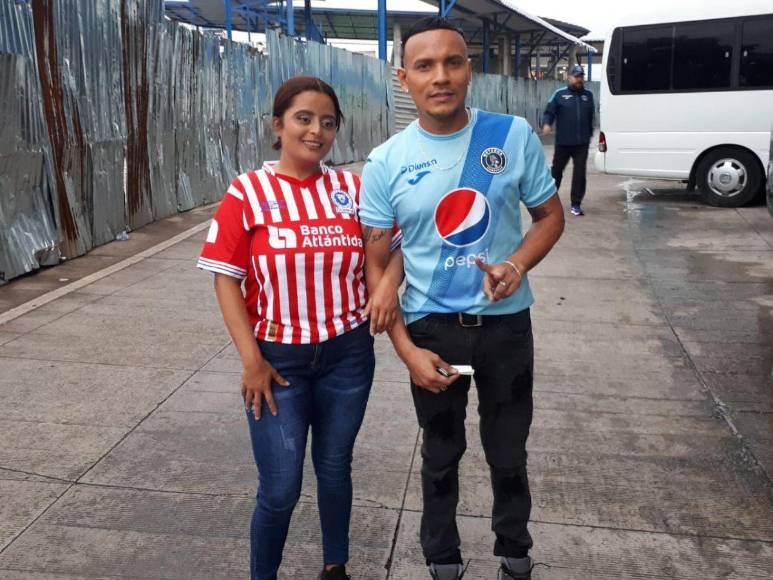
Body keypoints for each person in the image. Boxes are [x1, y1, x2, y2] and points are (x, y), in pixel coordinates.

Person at [359, 17, 565, 580]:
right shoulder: (386, 162)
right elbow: (379, 272)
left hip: (505, 327)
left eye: (453, 62)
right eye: (425, 66)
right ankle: (442, 559)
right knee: (441, 455)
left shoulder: (511, 134)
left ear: (470, 70)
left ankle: (514, 555)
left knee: (508, 452)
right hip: (432, 330)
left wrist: (515, 265)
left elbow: (550, 218)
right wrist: (405, 350)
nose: (441, 76)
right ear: (404, 78)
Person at [197, 76, 402, 580]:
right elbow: (226, 279)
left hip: (347, 356)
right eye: (304, 119)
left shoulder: (353, 189)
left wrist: (386, 287)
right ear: (279, 124)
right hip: (277, 361)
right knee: (281, 485)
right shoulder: (249, 191)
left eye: (327, 123)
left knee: (335, 468)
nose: (316, 131)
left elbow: (392, 248)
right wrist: (252, 361)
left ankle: (336, 566)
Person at [542, 64, 595, 216]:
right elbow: (549, 111)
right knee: (556, 172)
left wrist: (589, 134)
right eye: (576, 76)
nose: (579, 79)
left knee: (579, 173)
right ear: (569, 77)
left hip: (581, 144)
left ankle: (576, 204)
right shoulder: (559, 94)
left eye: (581, 77)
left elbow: (591, 118)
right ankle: (549, 201)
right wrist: (547, 124)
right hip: (563, 142)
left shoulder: (588, 96)